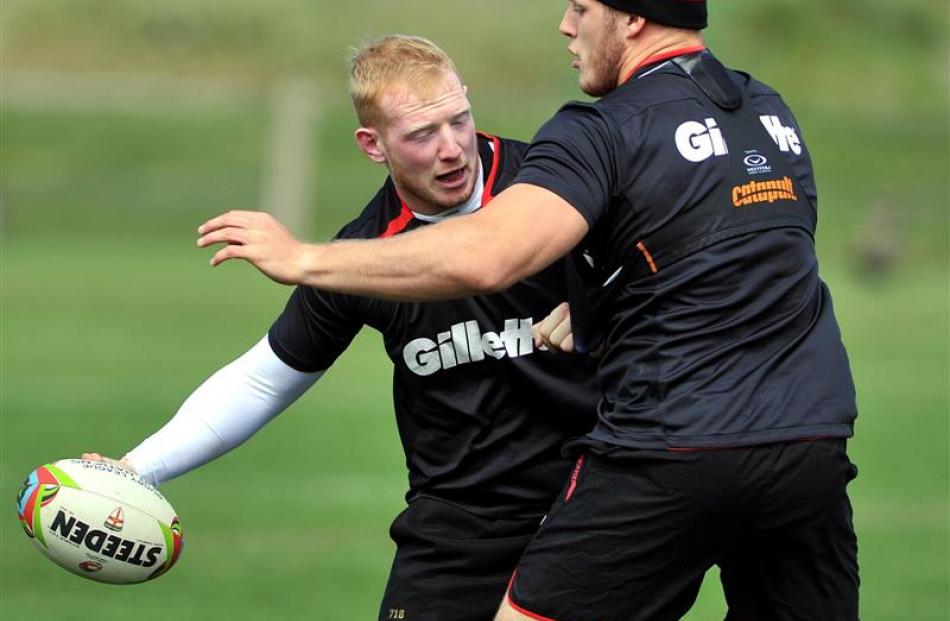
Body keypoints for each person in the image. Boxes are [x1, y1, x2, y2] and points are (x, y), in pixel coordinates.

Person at [196, 2, 861, 620]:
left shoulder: (601, 128)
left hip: (673, 444)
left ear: (630, 19)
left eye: (580, 7)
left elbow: (489, 254)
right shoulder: (769, 113)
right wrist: (603, 308)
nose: (565, 26)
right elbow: (730, 261)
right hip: (812, 441)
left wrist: (304, 259)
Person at [85, 35, 599, 621]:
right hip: (457, 527)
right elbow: (265, 379)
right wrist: (135, 469)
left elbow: (684, 271)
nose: (452, 148)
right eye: (421, 135)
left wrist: (606, 305)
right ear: (372, 145)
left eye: (459, 120)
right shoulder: (361, 254)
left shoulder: (554, 185)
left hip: (590, 505)